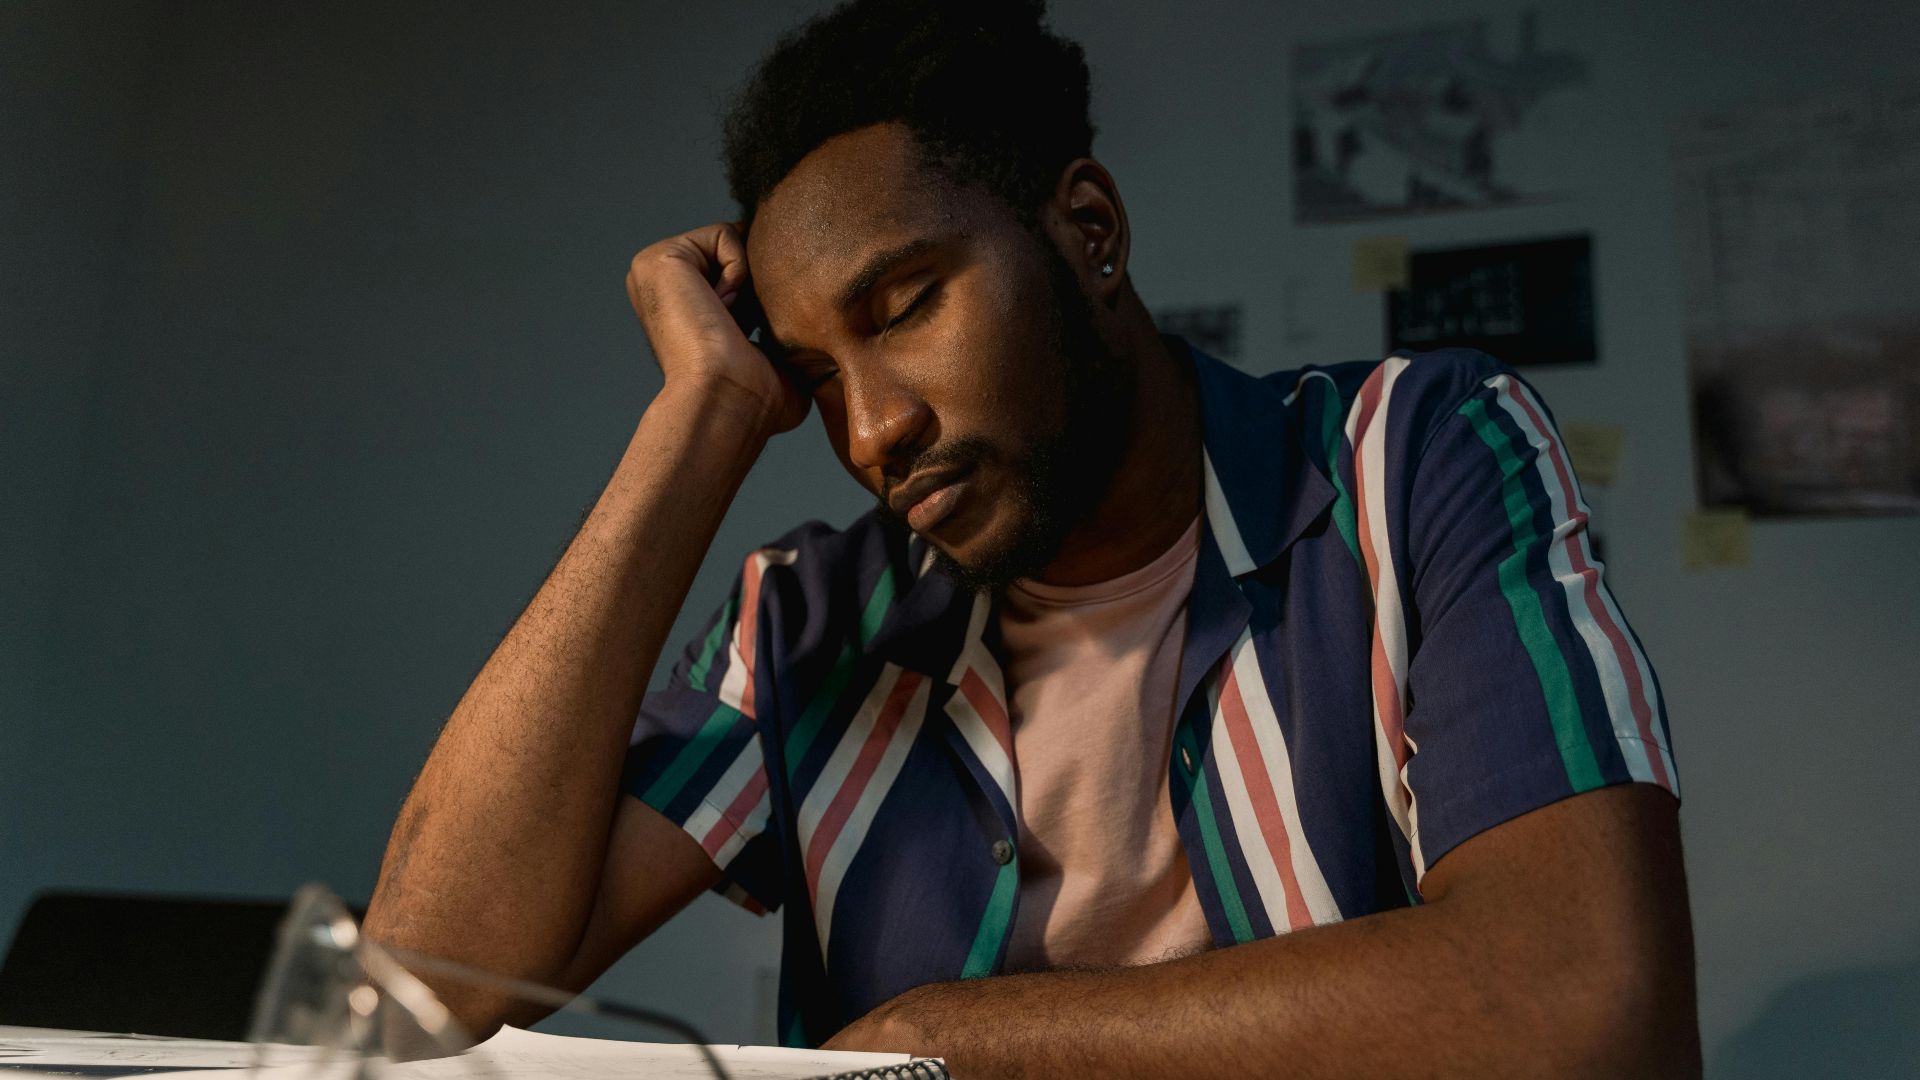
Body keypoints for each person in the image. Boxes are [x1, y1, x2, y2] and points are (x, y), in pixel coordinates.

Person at [362, 1, 1698, 1075]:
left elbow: (1588, 1007)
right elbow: (424, 983)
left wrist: (941, 1044)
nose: (871, 428)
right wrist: (703, 414)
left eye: (905, 305)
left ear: (1090, 233)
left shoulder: (1410, 461)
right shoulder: (809, 627)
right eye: (817, 376)